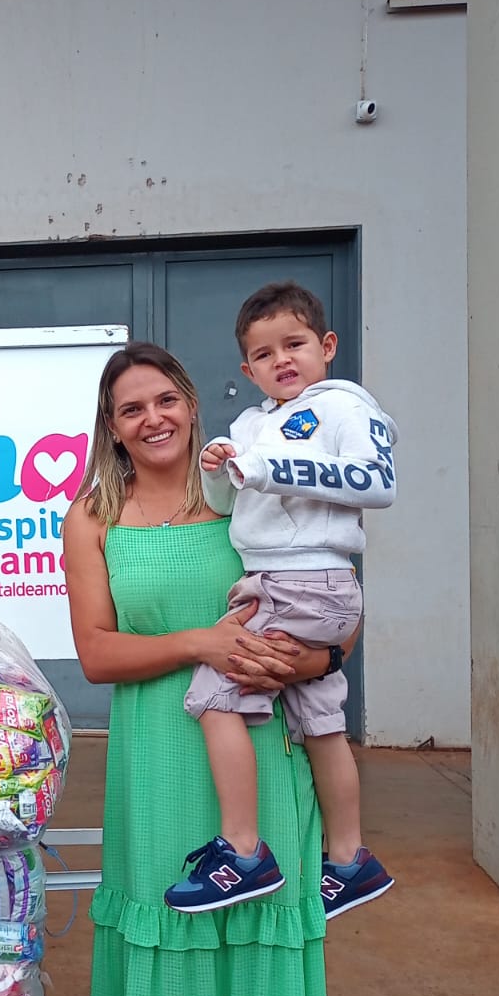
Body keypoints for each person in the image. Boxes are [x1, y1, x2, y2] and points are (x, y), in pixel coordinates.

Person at [64, 340, 349, 996]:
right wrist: (203, 643)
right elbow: (98, 654)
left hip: (261, 754)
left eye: (165, 400)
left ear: (191, 404)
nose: (152, 419)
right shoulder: (92, 518)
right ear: (112, 428)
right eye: (130, 408)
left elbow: (337, 617)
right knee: (174, 938)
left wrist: (304, 660)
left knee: (257, 945)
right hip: (157, 762)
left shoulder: (251, 490)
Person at [168, 282, 395, 920]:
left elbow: (378, 481)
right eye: (264, 354)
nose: (282, 360)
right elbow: (228, 502)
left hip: (305, 580)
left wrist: (270, 467)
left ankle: (243, 852)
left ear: (327, 345)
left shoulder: (345, 406)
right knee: (322, 724)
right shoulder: (251, 424)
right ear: (248, 370)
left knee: (215, 692)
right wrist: (219, 468)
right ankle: (350, 860)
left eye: (294, 344)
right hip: (290, 583)